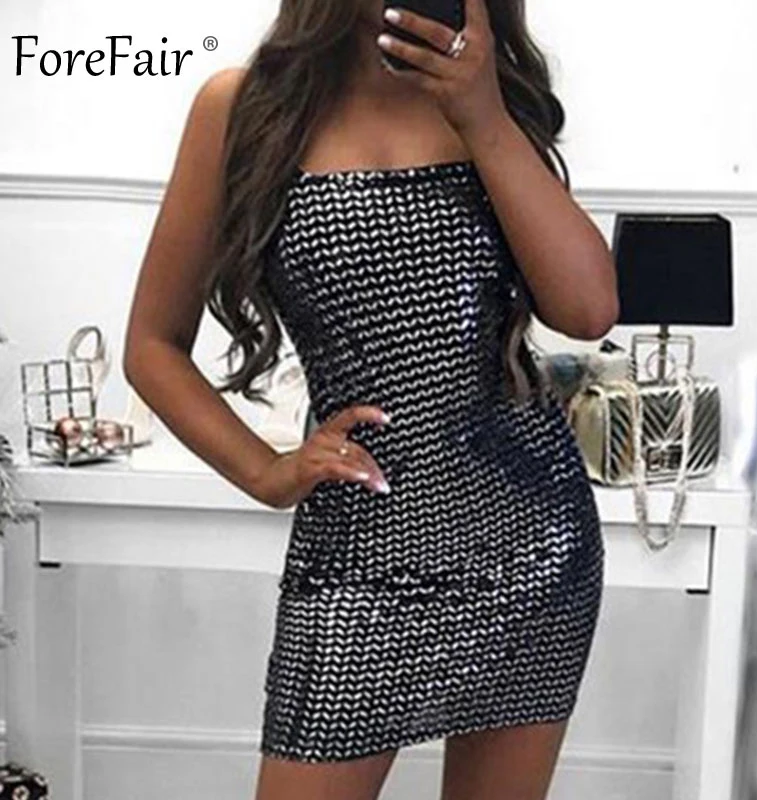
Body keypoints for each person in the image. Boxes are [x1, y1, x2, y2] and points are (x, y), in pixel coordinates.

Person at [123, 0, 619, 797]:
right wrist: (266, 473)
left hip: (530, 543)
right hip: (357, 551)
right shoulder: (244, 110)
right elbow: (151, 345)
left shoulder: (489, 99)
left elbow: (588, 310)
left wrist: (483, 116)